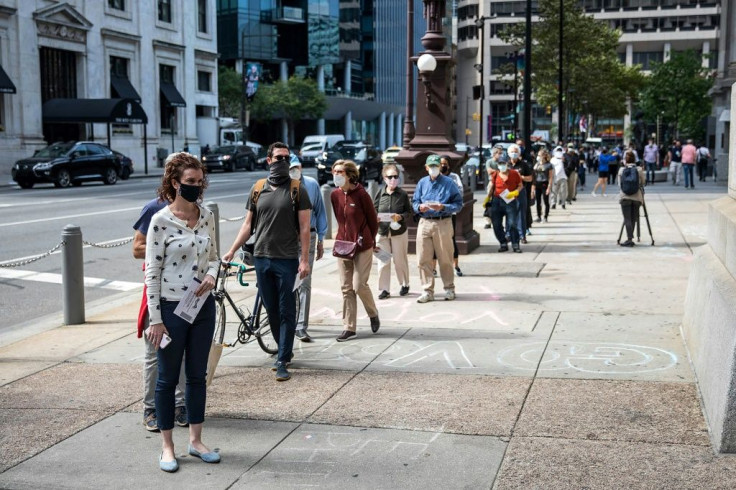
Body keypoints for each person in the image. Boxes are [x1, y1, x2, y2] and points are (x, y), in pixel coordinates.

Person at [144, 152, 220, 472]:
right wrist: (157, 319)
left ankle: (196, 440)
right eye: (190, 182)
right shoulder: (160, 221)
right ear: (175, 183)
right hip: (172, 310)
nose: (196, 187)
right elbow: (152, 272)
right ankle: (167, 446)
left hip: (203, 307)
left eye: (199, 182)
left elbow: (214, 256)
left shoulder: (206, 216)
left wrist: (212, 275)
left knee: (197, 376)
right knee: (167, 378)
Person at [222, 142, 312, 381]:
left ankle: (282, 359)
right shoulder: (258, 188)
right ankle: (284, 347)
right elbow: (247, 224)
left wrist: (304, 260)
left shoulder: (297, 189)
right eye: (278, 157)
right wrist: (231, 250)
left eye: (286, 158)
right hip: (261, 258)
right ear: (268, 160)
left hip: (287, 259)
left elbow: (305, 228)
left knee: (286, 309)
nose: (282, 161)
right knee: (271, 308)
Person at [133, 191, 188, 433]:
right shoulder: (153, 208)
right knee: (156, 349)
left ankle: (180, 405)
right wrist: (167, 246)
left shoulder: (195, 208)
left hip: (186, 291)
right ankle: (151, 408)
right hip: (157, 289)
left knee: (184, 351)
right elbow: (137, 248)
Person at [330, 160, 380, 340]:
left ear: (350, 175)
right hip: (343, 245)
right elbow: (339, 218)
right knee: (346, 288)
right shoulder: (334, 195)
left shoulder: (362, 195)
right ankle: (349, 327)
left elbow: (373, 221)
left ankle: (373, 313)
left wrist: (370, 239)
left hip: (362, 245)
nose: (336, 175)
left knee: (359, 285)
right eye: (334, 172)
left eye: (340, 172)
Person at [412, 154, 464, 303]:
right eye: (431, 166)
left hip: (443, 221)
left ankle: (449, 288)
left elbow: (458, 204)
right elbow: (415, 200)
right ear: (426, 167)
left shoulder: (449, 183)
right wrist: (418, 207)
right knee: (423, 258)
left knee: (445, 258)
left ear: (440, 167)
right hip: (425, 221)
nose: (434, 169)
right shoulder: (422, 183)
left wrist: (443, 206)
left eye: (436, 166)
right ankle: (427, 290)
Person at [287, 156, 327, 343]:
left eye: (296, 167)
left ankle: (301, 326)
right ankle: (289, 322)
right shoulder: (282, 185)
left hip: (308, 236)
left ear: (301, 167)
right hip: (286, 237)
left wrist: (321, 239)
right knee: (287, 281)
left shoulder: (311, 184)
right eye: (291, 167)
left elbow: (320, 211)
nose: (294, 170)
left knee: (304, 281)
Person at [373, 163, 412, 299]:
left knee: (399, 260)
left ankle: (405, 284)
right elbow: (374, 209)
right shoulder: (380, 193)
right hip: (382, 232)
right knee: (383, 261)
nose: (393, 179)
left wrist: (400, 216)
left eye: (396, 176)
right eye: (390, 177)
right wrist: (375, 218)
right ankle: (384, 289)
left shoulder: (402, 194)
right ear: (384, 178)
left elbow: (409, 212)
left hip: (398, 232)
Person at [488, 154, 524, 253]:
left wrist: (516, 192)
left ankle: (515, 244)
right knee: (496, 224)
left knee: (512, 223)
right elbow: (492, 187)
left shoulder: (514, 174)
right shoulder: (495, 174)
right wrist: (488, 198)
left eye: (503, 163)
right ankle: (503, 242)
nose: (502, 165)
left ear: (507, 164)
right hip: (497, 200)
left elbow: (520, 185)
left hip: (510, 201)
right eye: (500, 163)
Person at [439, 156, 464, 276]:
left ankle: (456, 266)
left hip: (450, 212)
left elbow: (460, 192)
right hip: (435, 214)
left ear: (448, 165)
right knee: (435, 241)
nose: (443, 166)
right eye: (441, 163)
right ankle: (434, 268)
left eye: (445, 164)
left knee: (451, 239)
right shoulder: (434, 178)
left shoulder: (454, 177)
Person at [617, 151, 646, 247]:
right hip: (637, 197)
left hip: (625, 197)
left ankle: (629, 238)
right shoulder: (639, 170)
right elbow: (643, 182)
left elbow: (619, 185)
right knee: (633, 218)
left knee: (627, 218)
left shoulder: (621, 170)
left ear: (625, 160)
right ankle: (631, 238)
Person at [507, 144, 533, 243]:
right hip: (508, 191)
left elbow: (530, 178)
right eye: (512, 152)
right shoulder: (506, 164)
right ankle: (508, 234)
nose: (514, 154)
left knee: (521, 213)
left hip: (520, 191)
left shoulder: (523, 165)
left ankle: (522, 235)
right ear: (509, 153)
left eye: (516, 152)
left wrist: (520, 177)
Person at [532, 148, 554, 223]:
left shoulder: (549, 165)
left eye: (540, 155)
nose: (538, 157)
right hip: (537, 183)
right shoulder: (537, 164)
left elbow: (550, 177)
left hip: (544, 183)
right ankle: (538, 216)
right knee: (538, 201)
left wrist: (549, 187)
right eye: (538, 155)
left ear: (544, 156)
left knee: (545, 201)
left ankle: (545, 217)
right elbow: (534, 175)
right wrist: (533, 187)